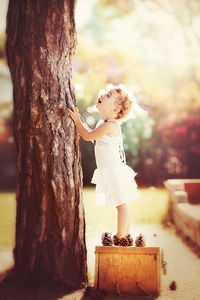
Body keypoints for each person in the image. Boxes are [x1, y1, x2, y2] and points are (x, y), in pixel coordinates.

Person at [68, 86, 140, 246]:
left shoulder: (110, 126)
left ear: (115, 109)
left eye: (108, 95)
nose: (102, 94)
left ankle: (121, 235)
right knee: (121, 203)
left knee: (121, 205)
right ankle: (125, 236)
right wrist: (83, 123)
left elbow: (87, 136)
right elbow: (95, 139)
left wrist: (77, 121)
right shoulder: (104, 123)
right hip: (112, 170)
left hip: (115, 170)